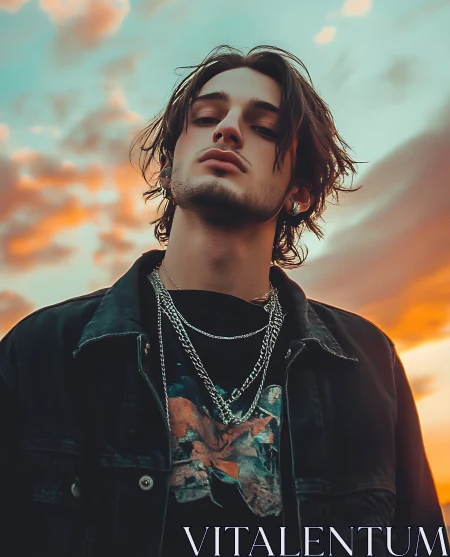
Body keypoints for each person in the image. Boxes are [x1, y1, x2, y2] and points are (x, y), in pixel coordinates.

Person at [0, 45, 447, 557]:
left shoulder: (367, 364)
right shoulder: (42, 354)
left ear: (299, 192)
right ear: (168, 168)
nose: (228, 129)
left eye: (264, 129)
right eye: (208, 116)